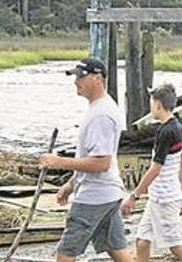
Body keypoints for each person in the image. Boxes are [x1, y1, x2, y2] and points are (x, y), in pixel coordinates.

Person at [39, 57, 134, 262]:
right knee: (117, 249)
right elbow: (91, 156)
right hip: (106, 193)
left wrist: (59, 162)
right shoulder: (100, 107)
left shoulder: (101, 115)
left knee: (66, 253)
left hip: (93, 197)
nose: (76, 81)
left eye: (81, 77)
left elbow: (101, 162)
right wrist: (71, 184)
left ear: (97, 78)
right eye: (75, 76)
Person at [120, 83, 182, 262]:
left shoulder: (165, 131)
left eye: (151, 103)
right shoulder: (178, 127)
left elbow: (155, 168)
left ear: (157, 105)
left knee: (176, 245)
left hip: (164, 199)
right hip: (160, 197)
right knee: (142, 241)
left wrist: (134, 196)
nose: (150, 107)